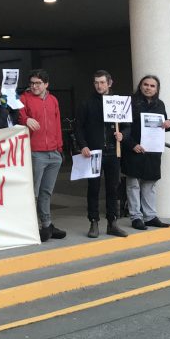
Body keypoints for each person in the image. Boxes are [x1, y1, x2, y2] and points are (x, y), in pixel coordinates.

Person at [73, 70, 127, 238]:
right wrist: (83, 146)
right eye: (96, 82)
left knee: (113, 188)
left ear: (110, 83)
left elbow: (128, 125)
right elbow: (78, 127)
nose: (99, 86)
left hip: (113, 152)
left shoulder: (119, 102)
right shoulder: (86, 104)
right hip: (94, 153)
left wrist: (123, 134)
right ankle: (93, 222)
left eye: (102, 82)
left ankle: (112, 222)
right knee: (93, 188)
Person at [120, 74, 170, 230]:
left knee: (149, 184)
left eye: (152, 86)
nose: (148, 88)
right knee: (133, 185)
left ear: (157, 89)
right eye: (145, 84)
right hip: (134, 149)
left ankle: (150, 216)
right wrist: (132, 145)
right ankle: (136, 217)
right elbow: (124, 127)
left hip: (152, 151)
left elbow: (165, 124)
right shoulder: (130, 103)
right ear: (140, 86)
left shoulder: (160, 104)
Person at [18, 69, 66, 241]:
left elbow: (57, 124)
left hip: (54, 153)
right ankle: (30, 226)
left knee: (46, 192)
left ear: (46, 84)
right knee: (33, 192)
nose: (34, 86)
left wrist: (60, 148)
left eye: (38, 83)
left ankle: (46, 224)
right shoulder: (23, 99)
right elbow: (16, 114)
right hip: (35, 152)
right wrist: (25, 120)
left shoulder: (53, 100)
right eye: (32, 83)